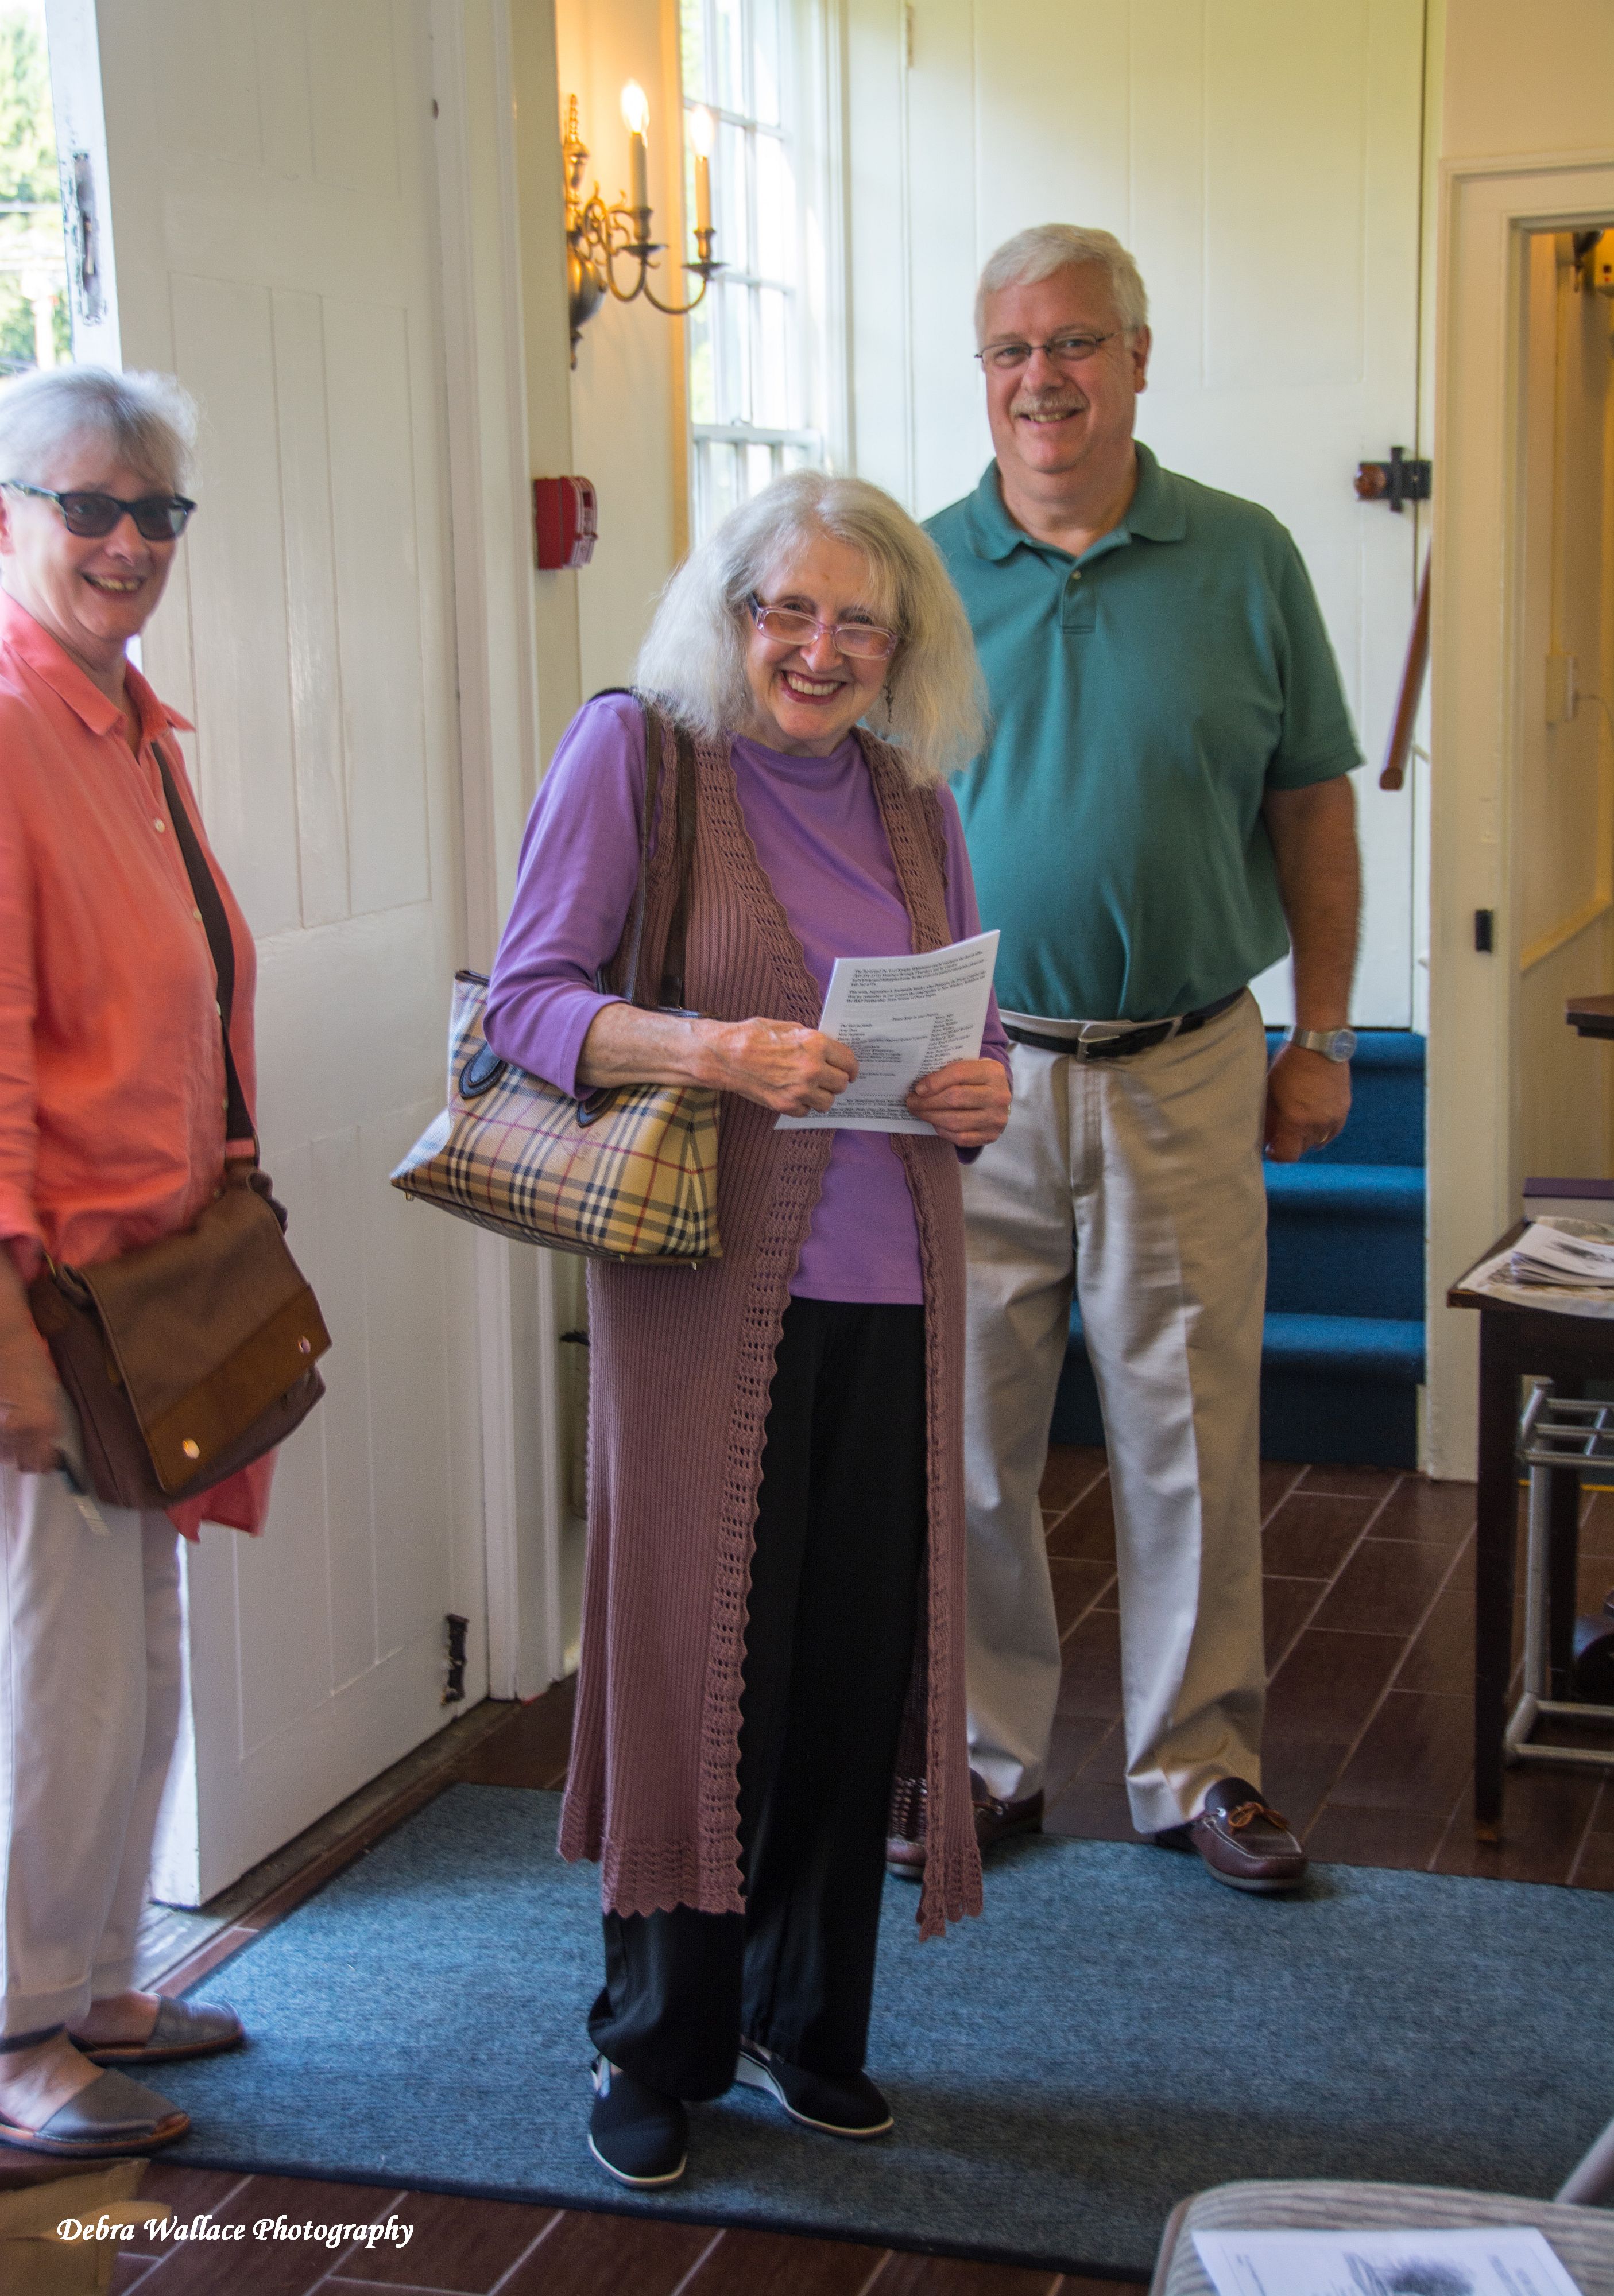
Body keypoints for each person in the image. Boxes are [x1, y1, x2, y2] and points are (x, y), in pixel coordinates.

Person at [484, 469, 1011, 2189]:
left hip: (893, 1288)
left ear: (902, 648)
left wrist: (976, 1091)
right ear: (730, 615)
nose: (820, 646)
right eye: (788, 608)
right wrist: (716, 1051)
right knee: (696, 1656)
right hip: (705, 1296)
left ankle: (805, 2022)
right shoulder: (640, 756)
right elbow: (528, 1005)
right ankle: (655, 2042)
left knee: (847, 1673)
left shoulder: (913, 804)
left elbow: (966, 1041)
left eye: (860, 620)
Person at [891, 224, 1361, 1897]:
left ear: (1138, 360)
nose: (1043, 380)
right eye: (1011, 351)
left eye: (1076, 344)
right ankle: (983, 1760)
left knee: (1186, 1429)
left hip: (1186, 1061)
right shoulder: (915, 572)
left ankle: (1196, 1768)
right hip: (974, 1078)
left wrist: (1318, 1038)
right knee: (967, 1438)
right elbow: (851, 826)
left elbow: (1311, 806)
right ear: (985, 375)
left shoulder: (1244, 558)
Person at [0, 366, 261, 2155]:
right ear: (11, 514)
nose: (120, 541)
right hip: (50, 1295)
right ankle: (14, 2037)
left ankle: (95, 1974)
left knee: (138, 1654)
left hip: (151, 1291)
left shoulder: (130, 722)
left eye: (152, 513)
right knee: (53, 1666)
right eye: (82, 506)